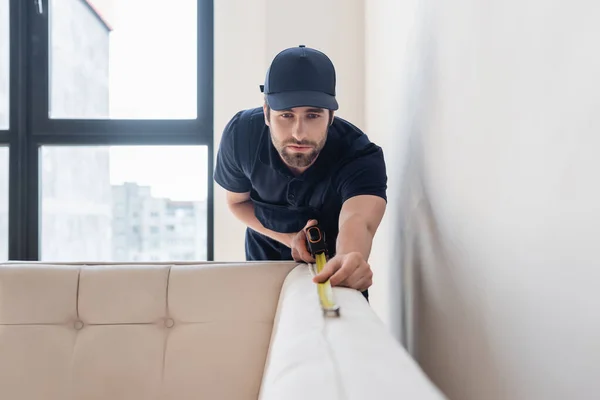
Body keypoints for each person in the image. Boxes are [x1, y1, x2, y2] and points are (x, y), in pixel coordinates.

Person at [214, 45, 387, 299]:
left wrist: (351, 258)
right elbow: (238, 202)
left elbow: (358, 220)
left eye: (313, 115)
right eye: (286, 115)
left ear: (330, 116)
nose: (299, 133)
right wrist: (288, 238)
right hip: (263, 267)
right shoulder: (241, 136)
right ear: (266, 113)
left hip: (334, 276)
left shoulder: (359, 155)